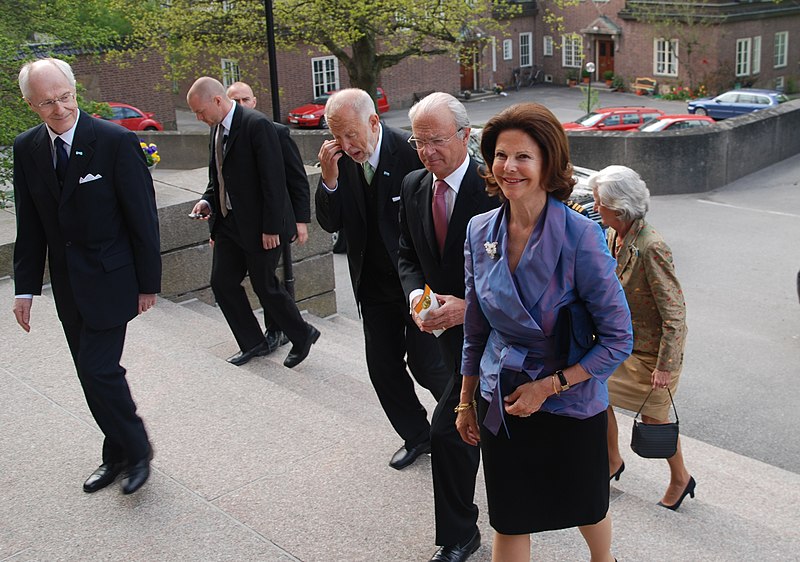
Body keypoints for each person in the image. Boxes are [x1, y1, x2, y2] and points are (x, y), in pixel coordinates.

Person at [456, 103, 633, 562]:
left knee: (587, 508)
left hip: (570, 402)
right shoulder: (479, 231)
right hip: (504, 397)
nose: (509, 167)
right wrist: (464, 401)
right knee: (509, 515)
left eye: (523, 157)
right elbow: (476, 327)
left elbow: (618, 339)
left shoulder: (580, 236)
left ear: (548, 163)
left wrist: (550, 387)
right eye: (500, 155)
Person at [12, 58, 161, 494]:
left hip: (113, 278)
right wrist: (25, 289)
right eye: (47, 103)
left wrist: (148, 283)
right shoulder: (27, 148)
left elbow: (143, 217)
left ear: (75, 91)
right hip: (68, 285)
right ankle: (114, 453)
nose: (60, 109)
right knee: (88, 373)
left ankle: (137, 449)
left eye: (65, 97)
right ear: (31, 104)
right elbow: (31, 224)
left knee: (99, 371)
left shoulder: (114, 141)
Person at [315, 88, 449, 469]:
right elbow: (330, 222)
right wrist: (329, 179)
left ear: (373, 122)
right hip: (373, 285)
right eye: (336, 136)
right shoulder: (339, 160)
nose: (345, 144)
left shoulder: (409, 154)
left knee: (428, 365)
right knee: (382, 369)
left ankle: (465, 420)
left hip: (418, 283)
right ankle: (418, 435)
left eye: (351, 134)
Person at [398, 92, 499, 562]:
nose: (426, 151)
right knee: (467, 428)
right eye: (419, 141)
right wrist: (419, 299)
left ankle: (461, 535)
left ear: (465, 135)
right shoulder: (416, 185)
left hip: (495, 340)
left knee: (447, 431)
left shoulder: (496, 187)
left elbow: (523, 273)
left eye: (436, 140)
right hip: (444, 335)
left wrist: (468, 307)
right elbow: (406, 256)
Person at [187, 77, 319, 368]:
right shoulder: (216, 130)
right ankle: (253, 343)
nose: (198, 118)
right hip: (228, 223)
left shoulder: (257, 125)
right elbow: (218, 179)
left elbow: (273, 180)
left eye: (200, 111)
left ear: (217, 101)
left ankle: (302, 334)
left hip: (261, 227)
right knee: (221, 283)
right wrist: (207, 201)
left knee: (265, 285)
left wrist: (272, 227)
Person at [590, 165, 694, 510]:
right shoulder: (612, 235)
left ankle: (681, 477)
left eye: (598, 201)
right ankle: (611, 460)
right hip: (622, 348)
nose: (594, 206)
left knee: (655, 422)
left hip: (653, 355)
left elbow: (675, 313)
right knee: (595, 393)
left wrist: (665, 367)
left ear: (617, 206)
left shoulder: (652, 247)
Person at [226, 81, 311, 352]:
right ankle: (274, 333)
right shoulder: (223, 133)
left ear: (254, 101)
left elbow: (296, 178)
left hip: (275, 220)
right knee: (256, 279)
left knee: (265, 278)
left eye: (245, 100)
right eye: (235, 100)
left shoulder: (275, 131)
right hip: (239, 224)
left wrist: (300, 221)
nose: (240, 105)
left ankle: (279, 330)